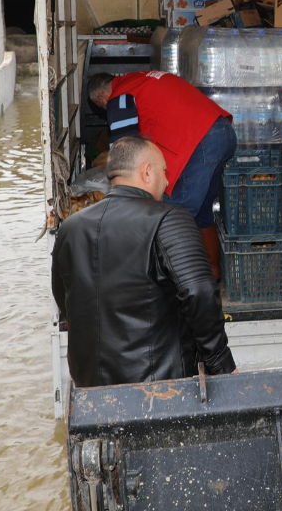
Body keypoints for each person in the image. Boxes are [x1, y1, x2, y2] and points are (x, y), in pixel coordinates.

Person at [51, 135, 236, 387]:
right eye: (164, 171)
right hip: (158, 391)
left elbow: (64, 298)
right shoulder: (170, 220)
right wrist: (221, 365)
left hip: (89, 388)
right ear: (147, 172)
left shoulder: (69, 228)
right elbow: (199, 291)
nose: (168, 180)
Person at [88, 71, 236, 274]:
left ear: (102, 99)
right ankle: (212, 272)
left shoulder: (119, 98)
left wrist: (120, 203)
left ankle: (174, 282)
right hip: (223, 132)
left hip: (201, 142)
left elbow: (124, 154)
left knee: (174, 214)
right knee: (202, 213)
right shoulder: (138, 80)